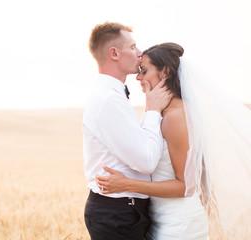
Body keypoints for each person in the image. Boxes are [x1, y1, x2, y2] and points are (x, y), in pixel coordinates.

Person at [96, 42, 251, 239]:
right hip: (163, 219)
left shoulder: (176, 116)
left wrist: (126, 184)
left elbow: (185, 185)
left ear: (166, 72)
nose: (138, 77)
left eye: (144, 71)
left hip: (179, 224)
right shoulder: (164, 112)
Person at [83, 22, 173, 240]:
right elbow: (146, 161)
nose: (140, 53)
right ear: (114, 53)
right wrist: (152, 110)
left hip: (122, 211)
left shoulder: (111, 95)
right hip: (118, 213)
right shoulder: (108, 99)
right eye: (133, 47)